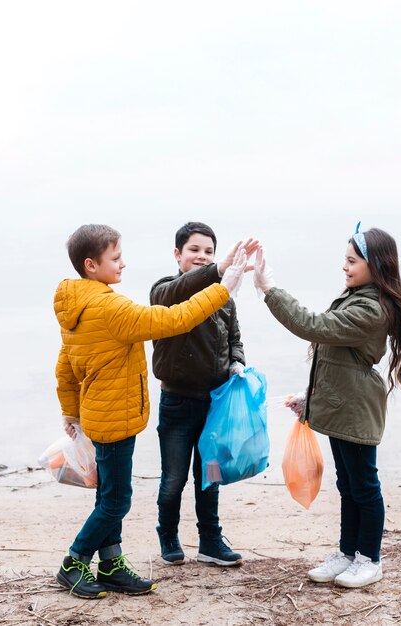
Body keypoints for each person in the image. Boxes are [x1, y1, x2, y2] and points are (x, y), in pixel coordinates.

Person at [54, 224, 247, 599]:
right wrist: (223, 286)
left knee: (107, 495)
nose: (123, 264)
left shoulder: (79, 307)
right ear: (92, 265)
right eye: (116, 258)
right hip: (116, 417)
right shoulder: (110, 306)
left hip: (100, 413)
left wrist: (71, 411)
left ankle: (110, 563)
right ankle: (73, 561)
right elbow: (173, 319)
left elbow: (64, 365)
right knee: (117, 500)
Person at [254, 224, 401, 588]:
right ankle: (347, 553)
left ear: (376, 264)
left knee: (364, 485)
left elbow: (314, 326)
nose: (345, 267)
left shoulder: (372, 308)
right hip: (346, 404)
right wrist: (308, 397)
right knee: (348, 484)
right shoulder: (358, 297)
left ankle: (369, 559)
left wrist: (269, 289)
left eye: (352, 260)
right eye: (344, 259)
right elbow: (336, 360)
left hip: (357, 409)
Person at [150, 222, 258, 567]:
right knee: (173, 480)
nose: (202, 257)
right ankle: (168, 533)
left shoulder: (224, 298)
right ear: (178, 254)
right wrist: (218, 270)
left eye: (208, 251)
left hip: (217, 406)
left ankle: (210, 540)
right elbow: (171, 296)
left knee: (210, 476)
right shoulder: (164, 291)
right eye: (195, 250)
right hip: (178, 404)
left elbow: (235, 340)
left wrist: (237, 363)